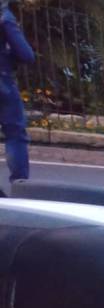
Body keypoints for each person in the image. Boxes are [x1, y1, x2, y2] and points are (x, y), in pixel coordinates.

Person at [0, 1, 34, 184]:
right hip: (2, 81)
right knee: (15, 133)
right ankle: (20, 183)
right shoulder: (4, 16)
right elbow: (26, 55)